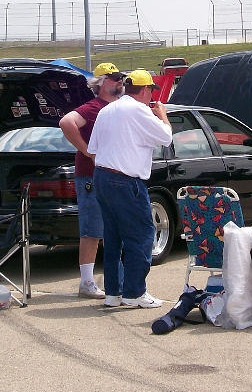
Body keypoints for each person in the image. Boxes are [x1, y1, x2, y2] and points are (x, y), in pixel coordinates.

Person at [88, 69, 172, 308]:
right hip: (125, 180)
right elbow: (166, 137)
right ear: (145, 90)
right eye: (150, 91)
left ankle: (113, 293)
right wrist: (162, 115)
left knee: (113, 238)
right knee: (142, 235)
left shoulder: (107, 110)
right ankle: (135, 292)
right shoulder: (139, 110)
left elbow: (93, 148)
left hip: (102, 177)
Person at [59, 63, 125, 299]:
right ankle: (87, 282)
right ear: (101, 82)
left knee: (112, 229)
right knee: (92, 229)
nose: (120, 81)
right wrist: (87, 151)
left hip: (113, 175)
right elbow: (67, 122)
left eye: (121, 77)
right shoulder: (92, 108)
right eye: (115, 77)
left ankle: (117, 280)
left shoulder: (118, 108)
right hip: (90, 175)